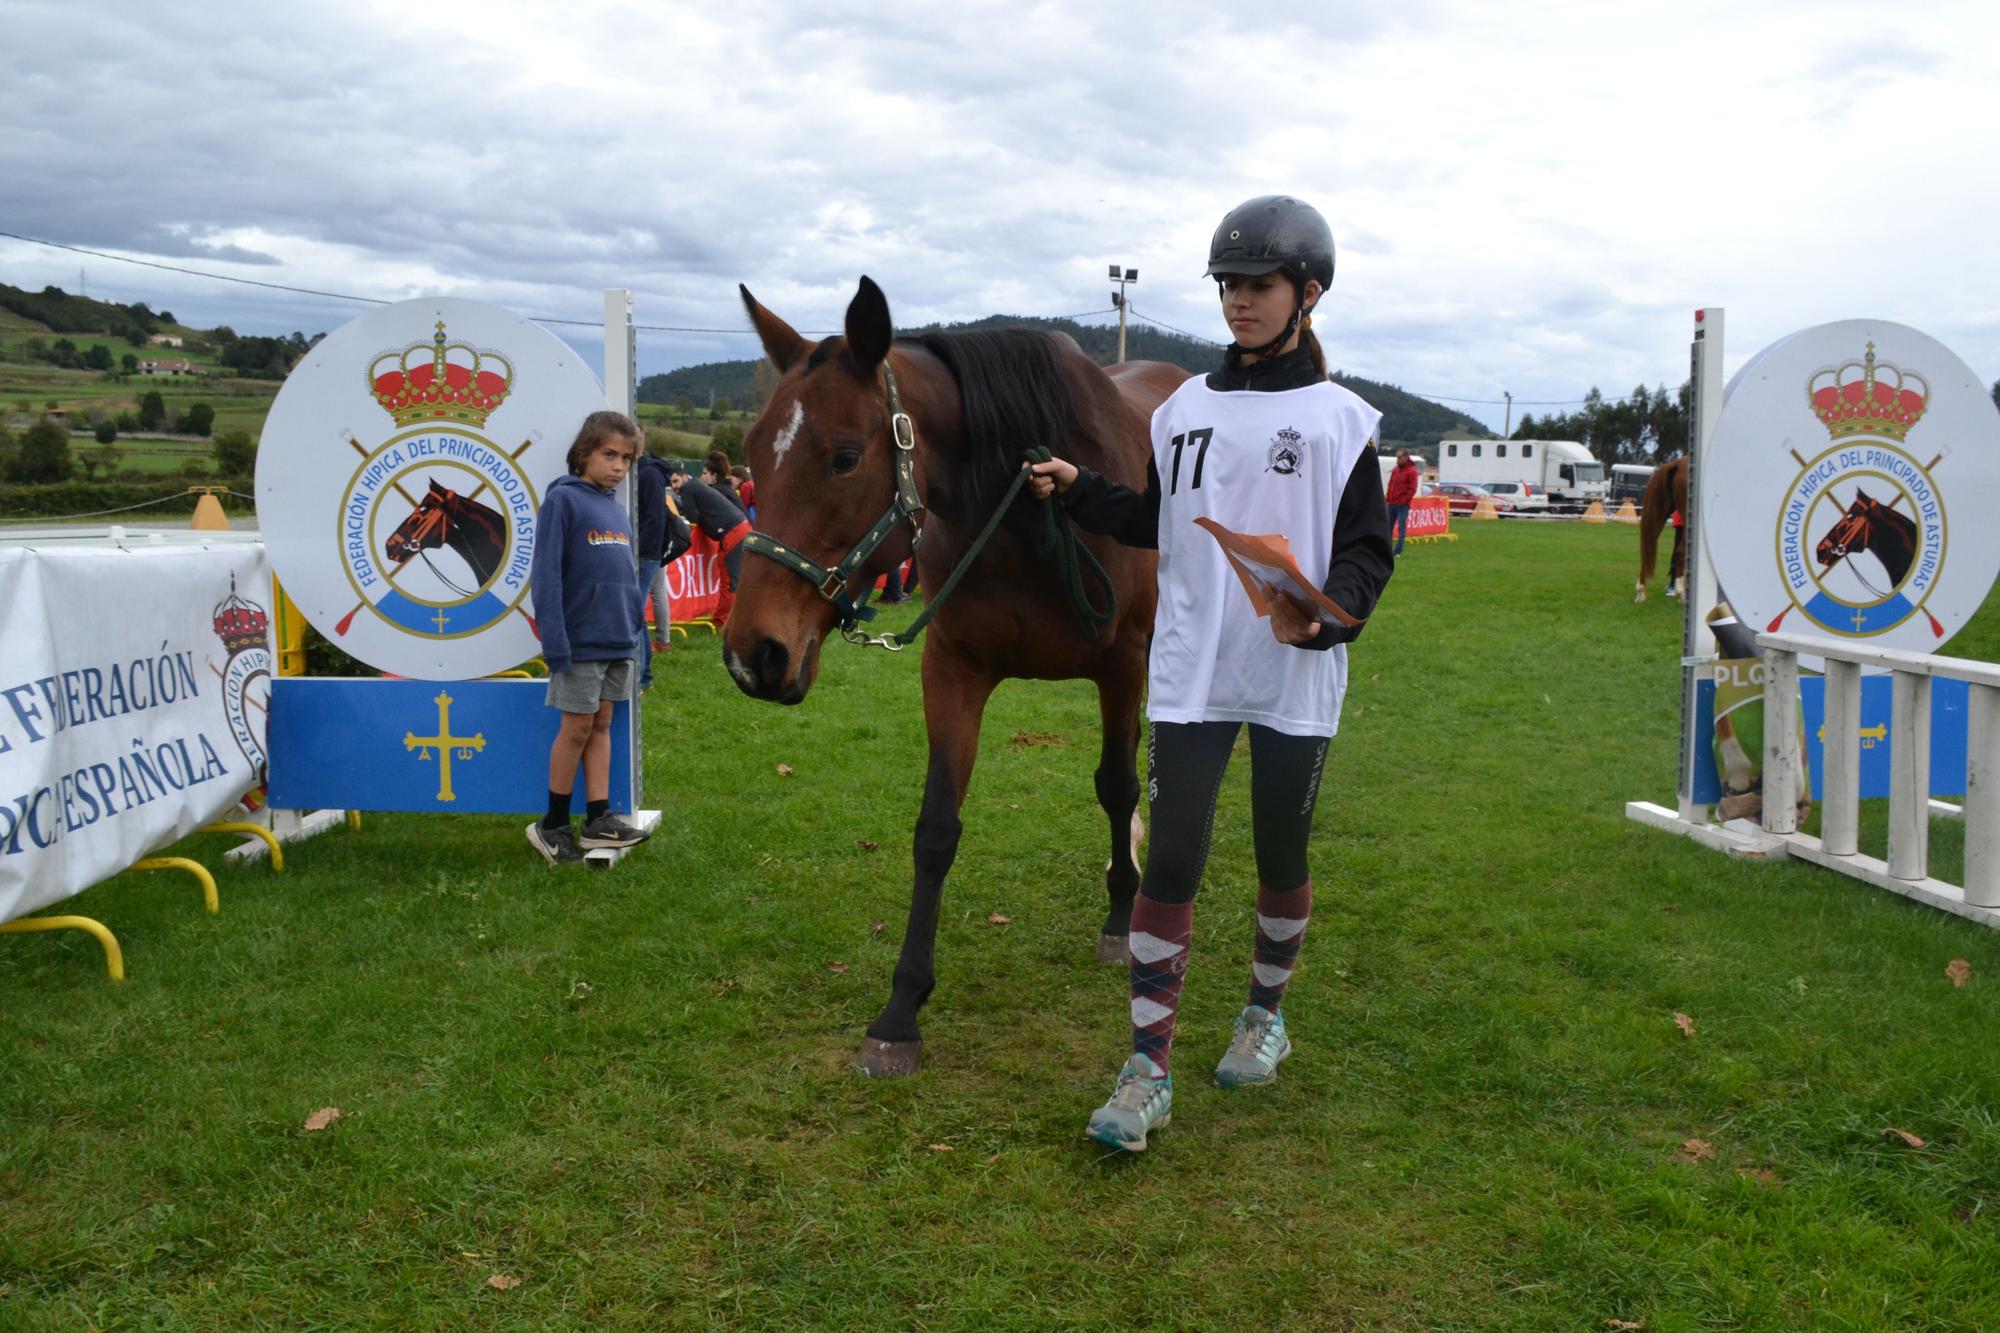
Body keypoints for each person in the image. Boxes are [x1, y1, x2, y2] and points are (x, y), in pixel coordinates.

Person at [1026, 194, 1393, 1152]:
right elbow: (1163, 517)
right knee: (1175, 853)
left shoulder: (1346, 420)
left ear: (1307, 293)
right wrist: (1081, 491)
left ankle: (1265, 1016)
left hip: (1292, 674)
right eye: (1228, 285)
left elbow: (1366, 551)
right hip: (1189, 672)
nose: (1239, 301)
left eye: (1258, 285)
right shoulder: (1184, 406)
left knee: (1281, 853)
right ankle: (1147, 1067)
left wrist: (1334, 615)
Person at [526, 410, 653, 865]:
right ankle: (552, 824)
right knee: (576, 727)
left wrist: (633, 631)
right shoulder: (564, 502)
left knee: (601, 724)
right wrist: (556, 642)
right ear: (584, 454)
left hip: (618, 640)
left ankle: (598, 817)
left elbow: (623, 577)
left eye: (627, 458)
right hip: (579, 642)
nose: (618, 465)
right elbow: (546, 577)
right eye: (609, 454)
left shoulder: (615, 510)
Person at [672, 462, 750, 626]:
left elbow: (691, 516)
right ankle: (729, 618)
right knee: (731, 579)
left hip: (733, 532)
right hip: (737, 529)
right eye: (671, 483)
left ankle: (722, 621)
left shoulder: (688, 489)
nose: (674, 486)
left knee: (729, 581)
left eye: (676, 481)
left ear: (685, 477)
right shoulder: (697, 487)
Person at [633, 442, 671, 689]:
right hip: (648, 551)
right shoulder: (646, 471)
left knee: (635, 613)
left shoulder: (648, 474)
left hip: (647, 553)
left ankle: (643, 676)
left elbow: (655, 518)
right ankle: (643, 675)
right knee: (638, 612)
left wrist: (640, 551)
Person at [1385, 447, 1420, 555]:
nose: (1397, 459)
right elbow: (1390, 485)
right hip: (1392, 503)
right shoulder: (1395, 470)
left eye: (1399, 457)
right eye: (1397, 457)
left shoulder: (1412, 471)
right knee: (1388, 528)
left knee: (1401, 527)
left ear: (1406, 457)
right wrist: (1388, 499)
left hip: (1402, 505)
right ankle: (1387, 550)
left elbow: (1412, 488)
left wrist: (1404, 500)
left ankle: (1398, 551)